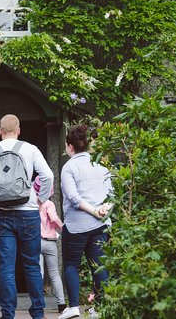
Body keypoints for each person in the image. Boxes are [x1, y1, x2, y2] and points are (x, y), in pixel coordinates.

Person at [0, 114, 54, 319]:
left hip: (1, 214)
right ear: (19, 130)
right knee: (32, 264)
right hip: (29, 213)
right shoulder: (30, 149)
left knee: (6, 266)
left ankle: (8, 313)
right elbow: (48, 176)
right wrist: (41, 200)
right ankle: (38, 312)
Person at [57, 125, 113, 319]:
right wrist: (103, 210)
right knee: (98, 265)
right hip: (100, 225)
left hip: (76, 225)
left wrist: (93, 210)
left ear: (70, 146)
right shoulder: (100, 165)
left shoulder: (69, 167)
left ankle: (73, 307)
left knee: (71, 264)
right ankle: (100, 307)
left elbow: (72, 197)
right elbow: (112, 193)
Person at [33, 176, 66, 313]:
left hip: (36, 242)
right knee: (54, 273)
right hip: (50, 242)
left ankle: (39, 304)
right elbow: (53, 218)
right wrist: (63, 228)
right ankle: (61, 304)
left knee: (38, 273)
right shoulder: (49, 204)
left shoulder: (33, 203)